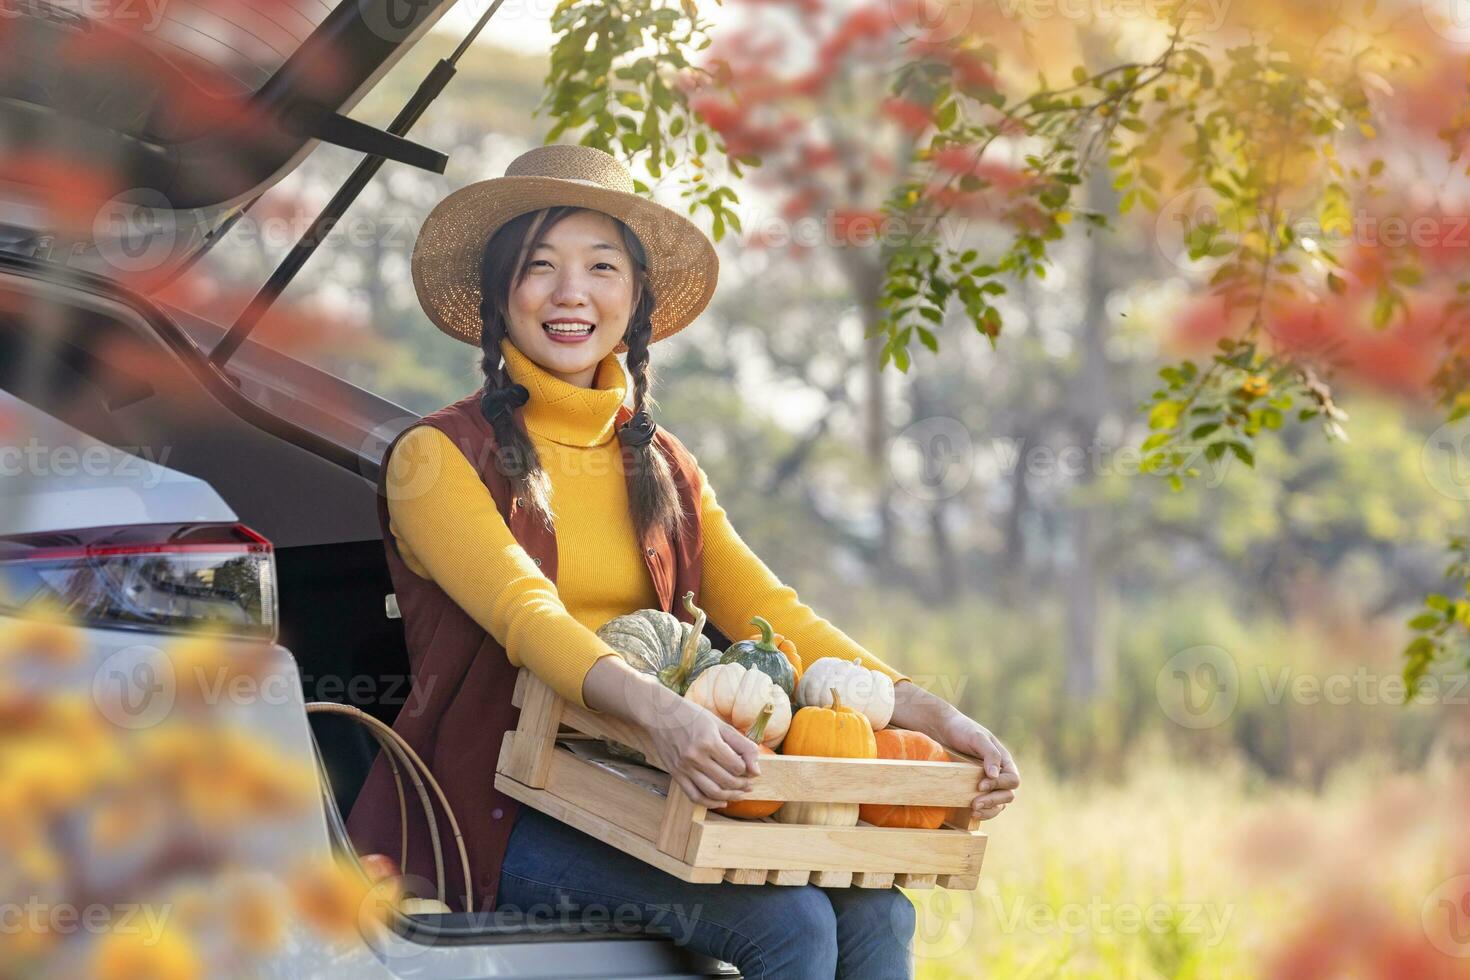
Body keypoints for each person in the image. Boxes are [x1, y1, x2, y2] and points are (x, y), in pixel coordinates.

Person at [347, 144, 1019, 979]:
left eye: (601, 266)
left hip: (642, 785)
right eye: (539, 266)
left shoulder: (660, 463)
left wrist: (925, 711)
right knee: (792, 926)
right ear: (498, 295)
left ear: (636, 299)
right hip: (496, 809)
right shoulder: (437, 458)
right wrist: (662, 717)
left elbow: (775, 607)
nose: (571, 293)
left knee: (879, 911)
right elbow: (529, 615)